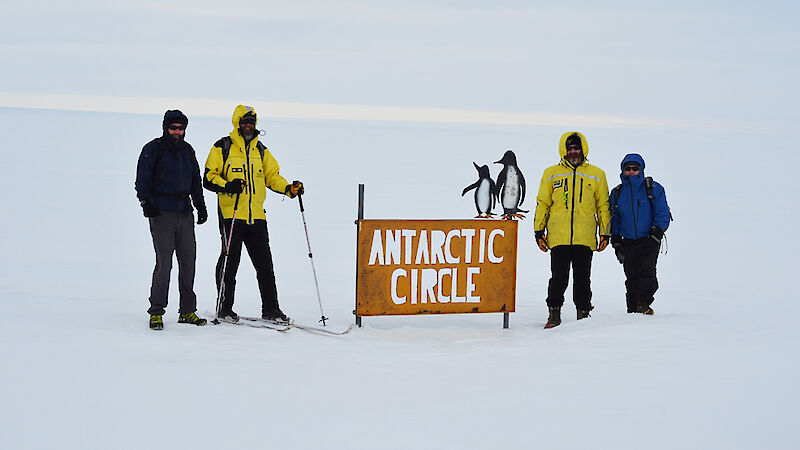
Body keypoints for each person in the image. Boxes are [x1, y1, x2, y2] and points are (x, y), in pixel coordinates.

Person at [203, 105, 304, 323]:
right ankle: (224, 308)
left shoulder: (261, 150)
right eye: (244, 122)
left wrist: (288, 189)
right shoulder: (223, 147)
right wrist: (228, 185)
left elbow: (272, 176)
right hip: (232, 215)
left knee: (265, 265)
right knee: (230, 263)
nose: (248, 125)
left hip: (257, 216)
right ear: (237, 123)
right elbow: (209, 178)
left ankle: (271, 310)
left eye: (251, 122)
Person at [135, 110, 208, 330]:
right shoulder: (153, 149)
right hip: (161, 214)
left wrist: (200, 205)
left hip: (185, 213)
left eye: (181, 128)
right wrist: (146, 203)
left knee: (188, 263)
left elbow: (196, 180)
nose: (177, 132)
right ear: (165, 127)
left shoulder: (187, 150)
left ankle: (187, 311)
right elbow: (142, 179)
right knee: (164, 264)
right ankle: (156, 311)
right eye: (173, 128)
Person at [533, 131, 611, 329]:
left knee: (583, 279)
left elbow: (603, 206)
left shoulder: (597, 174)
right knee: (558, 277)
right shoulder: (551, 173)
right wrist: (538, 231)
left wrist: (605, 232)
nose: (573, 152)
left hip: (584, 237)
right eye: (569, 148)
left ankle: (583, 314)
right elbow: (543, 203)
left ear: (583, 149)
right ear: (564, 150)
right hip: (558, 236)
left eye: (576, 148)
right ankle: (554, 314)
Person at [609, 154, 671, 315]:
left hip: (649, 239)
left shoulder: (654, 188)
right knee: (631, 276)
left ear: (641, 170)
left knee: (647, 272)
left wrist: (656, 233)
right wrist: (615, 240)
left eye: (635, 168)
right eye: (627, 168)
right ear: (623, 170)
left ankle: (643, 304)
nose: (631, 171)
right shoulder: (617, 193)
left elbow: (662, 212)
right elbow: (614, 218)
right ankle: (632, 311)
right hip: (627, 241)